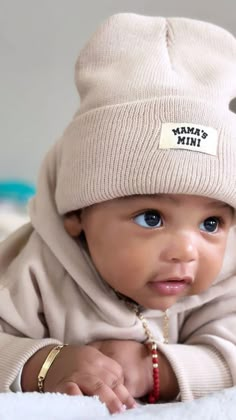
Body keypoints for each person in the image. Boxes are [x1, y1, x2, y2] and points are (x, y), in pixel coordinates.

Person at [0, 12, 236, 415]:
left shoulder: (222, 280)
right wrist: (44, 363)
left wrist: (153, 368)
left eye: (211, 223)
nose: (186, 251)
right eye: (151, 217)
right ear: (77, 213)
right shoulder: (36, 272)